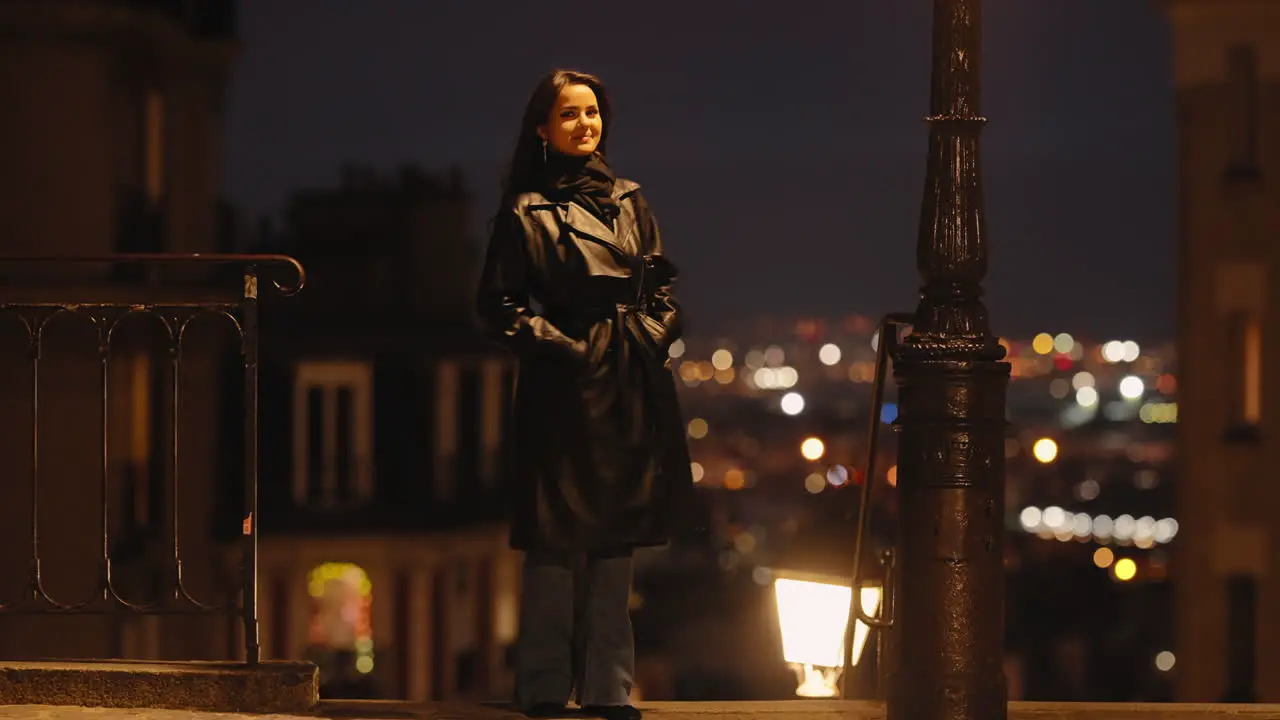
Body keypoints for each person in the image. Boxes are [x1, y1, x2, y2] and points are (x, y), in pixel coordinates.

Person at [476, 69, 694, 720]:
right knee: (554, 533)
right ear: (543, 128)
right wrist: (564, 348)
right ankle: (544, 686)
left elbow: (660, 285)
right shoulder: (525, 210)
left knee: (613, 537)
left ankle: (607, 688)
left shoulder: (630, 200)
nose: (584, 124)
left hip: (626, 379)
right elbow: (498, 304)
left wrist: (650, 336)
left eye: (592, 112)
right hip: (562, 387)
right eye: (569, 114)